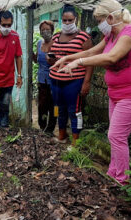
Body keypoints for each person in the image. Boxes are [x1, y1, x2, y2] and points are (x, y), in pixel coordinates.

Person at [52, 0, 131, 185]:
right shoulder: (111, 36)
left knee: (116, 136)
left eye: (100, 21)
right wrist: (68, 58)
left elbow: (112, 57)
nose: (100, 25)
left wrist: (78, 63)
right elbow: (91, 52)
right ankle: (113, 172)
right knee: (115, 136)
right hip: (116, 94)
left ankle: (122, 180)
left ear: (110, 17)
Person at [47, 5, 94, 146]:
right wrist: (50, 59)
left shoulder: (84, 38)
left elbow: (90, 61)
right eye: (64, 20)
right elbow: (51, 56)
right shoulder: (56, 36)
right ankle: (62, 135)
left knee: (75, 111)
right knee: (58, 108)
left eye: (70, 20)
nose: (67, 23)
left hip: (74, 82)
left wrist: (86, 82)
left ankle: (75, 141)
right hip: (55, 81)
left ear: (76, 19)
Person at [33, 20, 57, 134]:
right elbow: (37, 60)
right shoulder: (39, 43)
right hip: (42, 80)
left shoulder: (56, 43)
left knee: (55, 106)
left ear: (52, 30)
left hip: (55, 79)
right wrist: (31, 55)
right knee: (42, 105)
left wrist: (53, 61)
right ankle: (42, 126)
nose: (45, 32)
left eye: (47, 30)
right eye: (43, 30)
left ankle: (51, 128)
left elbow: (61, 60)